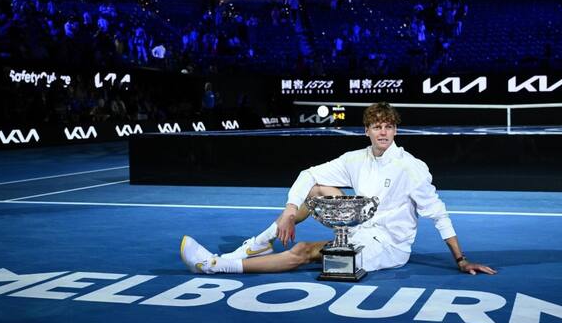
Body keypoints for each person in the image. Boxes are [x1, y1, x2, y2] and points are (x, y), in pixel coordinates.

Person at [180, 102, 496, 276]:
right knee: (317, 189)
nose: (383, 132)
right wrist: (290, 211)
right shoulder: (355, 158)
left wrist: (461, 259)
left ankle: (217, 266)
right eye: (377, 126)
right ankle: (259, 243)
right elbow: (307, 174)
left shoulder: (411, 167)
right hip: (358, 228)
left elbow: (438, 214)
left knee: (303, 251)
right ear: (367, 131)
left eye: (388, 126)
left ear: (395, 130)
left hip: (388, 246)